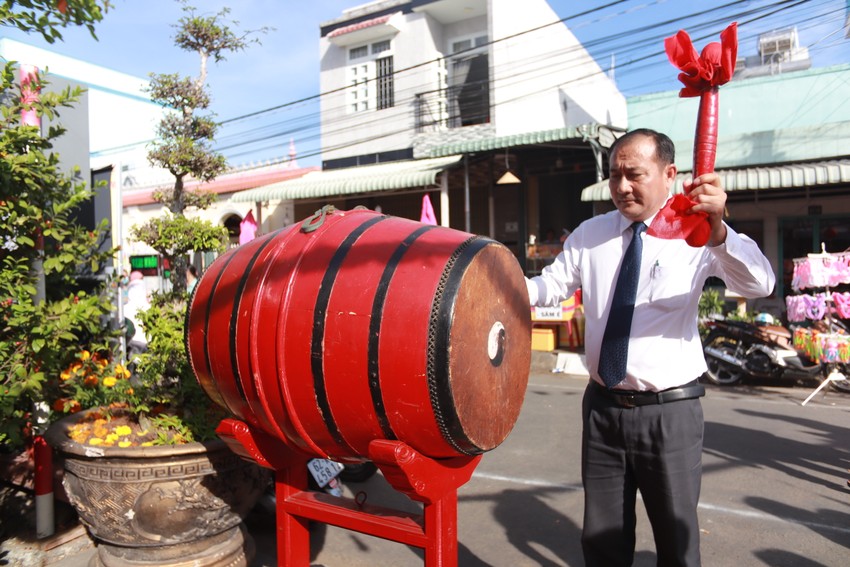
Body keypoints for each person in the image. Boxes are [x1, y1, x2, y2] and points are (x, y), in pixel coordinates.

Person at [526, 129, 775, 566]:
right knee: (602, 542)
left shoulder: (694, 232)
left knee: (676, 546)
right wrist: (496, 281)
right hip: (603, 410)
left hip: (670, 414)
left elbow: (760, 283)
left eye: (634, 174)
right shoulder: (590, 234)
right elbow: (550, 287)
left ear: (669, 174)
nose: (622, 187)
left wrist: (719, 232)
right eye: (614, 175)